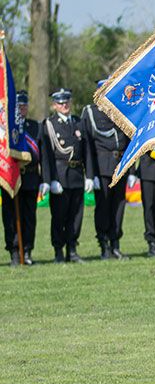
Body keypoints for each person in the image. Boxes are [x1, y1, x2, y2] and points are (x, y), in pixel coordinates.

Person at [83, 80, 130, 259]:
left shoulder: (121, 111)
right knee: (103, 207)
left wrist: (130, 170)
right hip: (102, 166)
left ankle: (115, 243)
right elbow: (87, 145)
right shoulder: (91, 112)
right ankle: (103, 244)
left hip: (121, 165)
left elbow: (128, 140)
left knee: (119, 206)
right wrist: (90, 173)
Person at [40, 88, 88, 263]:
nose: (64, 105)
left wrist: (89, 175)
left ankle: (72, 249)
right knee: (59, 216)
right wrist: (49, 179)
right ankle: (58, 251)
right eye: (60, 103)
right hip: (60, 175)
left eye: (67, 101)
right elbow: (46, 156)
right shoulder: (49, 124)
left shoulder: (78, 122)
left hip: (76, 174)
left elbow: (86, 151)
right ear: (54, 106)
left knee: (76, 215)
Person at [2, 90, 41, 266]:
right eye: (18, 106)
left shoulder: (35, 126)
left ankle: (27, 250)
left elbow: (42, 154)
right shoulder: (6, 128)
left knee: (29, 216)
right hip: (11, 177)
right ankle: (14, 251)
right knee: (10, 215)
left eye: (24, 106)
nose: (21, 109)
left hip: (31, 177)